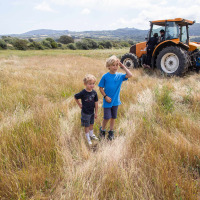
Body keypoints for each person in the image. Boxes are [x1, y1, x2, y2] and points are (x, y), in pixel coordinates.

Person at [98, 55, 132, 140]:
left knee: (113, 117)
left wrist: (123, 66)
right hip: (107, 101)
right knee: (107, 117)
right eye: (113, 65)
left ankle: (111, 132)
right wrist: (105, 96)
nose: (115, 67)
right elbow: (100, 88)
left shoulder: (120, 76)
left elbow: (130, 75)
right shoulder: (105, 76)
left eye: (117, 65)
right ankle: (102, 130)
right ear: (108, 66)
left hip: (116, 101)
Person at [74, 74, 98, 145]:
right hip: (85, 112)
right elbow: (75, 96)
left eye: (93, 84)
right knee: (86, 125)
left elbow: (96, 103)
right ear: (85, 84)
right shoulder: (83, 92)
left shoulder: (94, 93)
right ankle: (87, 137)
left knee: (91, 124)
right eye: (90, 84)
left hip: (92, 112)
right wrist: (79, 104)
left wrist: (96, 112)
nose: (92, 85)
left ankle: (91, 134)